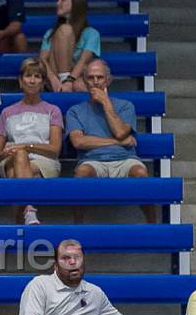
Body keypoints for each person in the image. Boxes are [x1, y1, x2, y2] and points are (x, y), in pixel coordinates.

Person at [67, 60, 157, 223]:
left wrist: (106, 103)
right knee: (81, 173)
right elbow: (79, 142)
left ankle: (153, 224)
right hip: (92, 160)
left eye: (100, 78)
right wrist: (116, 142)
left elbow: (121, 132)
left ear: (108, 80)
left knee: (141, 173)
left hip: (125, 159)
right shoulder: (75, 110)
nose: (95, 82)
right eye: (91, 77)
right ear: (84, 81)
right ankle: (78, 226)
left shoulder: (125, 106)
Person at [0, 56, 65, 226]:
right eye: (28, 76)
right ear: (20, 80)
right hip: (11, 158)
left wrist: (26, 146)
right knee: (19, 157)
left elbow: (55, 149)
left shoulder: (53, 111)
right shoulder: (7, 112)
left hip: (44, 161)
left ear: (42, 82)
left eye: (37, 76)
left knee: (15, 175)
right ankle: (30, 210)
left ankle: (18, 224)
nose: (32, 80)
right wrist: (7, 151)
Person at [40, 0, 100, 90]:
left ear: (75, 3)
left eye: (62, 0)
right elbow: (42, 59)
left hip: (76, 76)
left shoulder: (91, 33)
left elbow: (84, 61)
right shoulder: (50, 33)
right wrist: (53, 79)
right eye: (58, 0)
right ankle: (63, 81)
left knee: (80, 85)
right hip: (56, 77)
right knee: (64, 29)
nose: (57, 3)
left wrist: (70, 80)